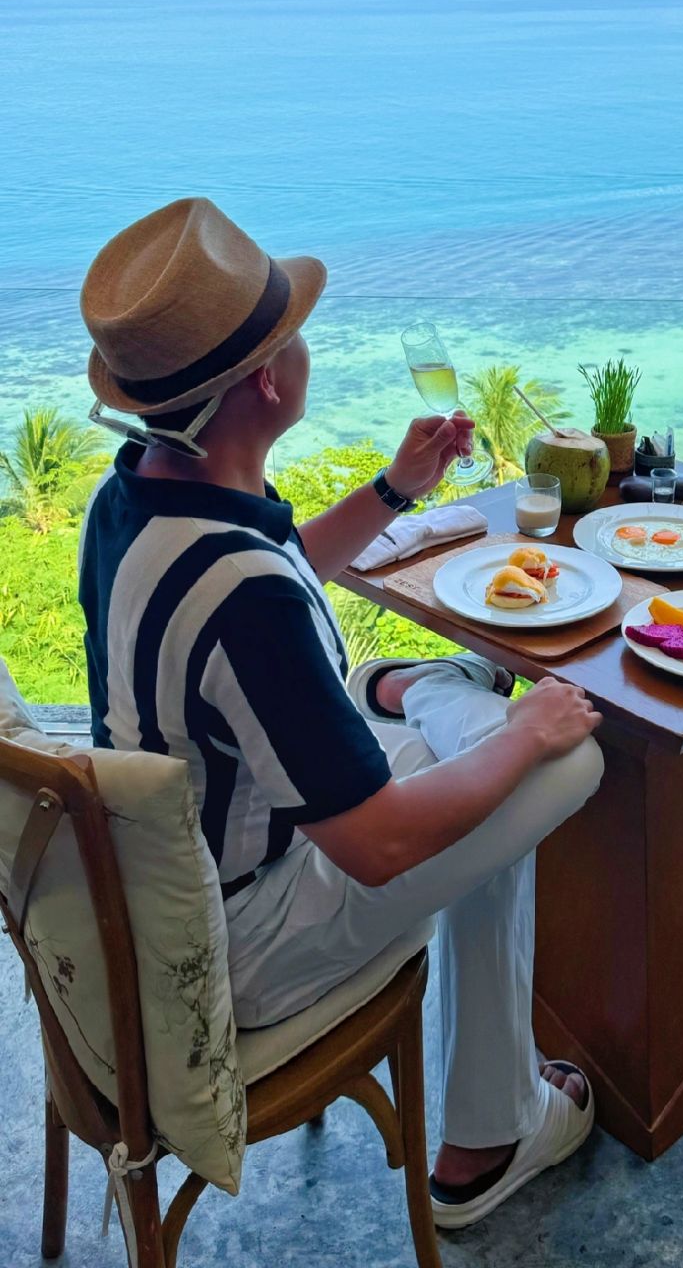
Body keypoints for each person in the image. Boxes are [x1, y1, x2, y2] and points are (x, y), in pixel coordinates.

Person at [77, 197, 605, 1227]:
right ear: (271, 382)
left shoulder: (137, 496)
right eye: (291, 335)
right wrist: (536, 732)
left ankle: (488, 1119)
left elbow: (272, 571)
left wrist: (394, 490)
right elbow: (376, 845)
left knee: (483, 765)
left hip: (172, 868)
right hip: (241, 932)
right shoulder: (249, 601)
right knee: (558, 766)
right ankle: (489, 1138)